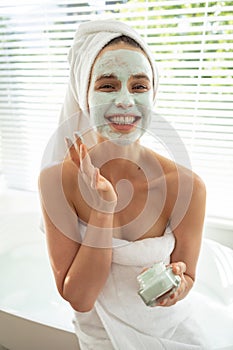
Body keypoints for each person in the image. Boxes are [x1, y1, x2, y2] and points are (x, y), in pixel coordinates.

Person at [39, 19, 208, 349]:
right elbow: (80, 299)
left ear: (153, 95)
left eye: (140, 86)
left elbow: (188, 277)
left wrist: (178, 286)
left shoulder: (186, 186)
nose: (125, 100)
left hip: (172, 334)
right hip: (102, 337)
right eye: (106, 85)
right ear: (84, 96)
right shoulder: (55, 182)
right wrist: (103, 210)